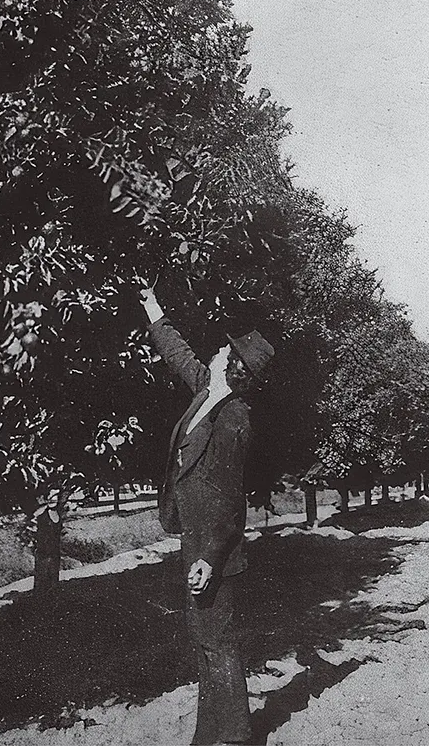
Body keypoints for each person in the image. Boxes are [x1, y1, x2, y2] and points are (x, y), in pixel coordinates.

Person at [139, 285, 274, 746]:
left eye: (227, 349)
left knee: (218, 639)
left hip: (214, 546)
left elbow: (232, 500)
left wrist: (210, 558)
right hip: (195, 538)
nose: (218, 348)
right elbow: (179, 355)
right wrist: (153, 308)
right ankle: (208, 732)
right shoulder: (208, 393)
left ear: (235, 367)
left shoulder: (234, 416)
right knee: (205, 636)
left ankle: (235, 735)